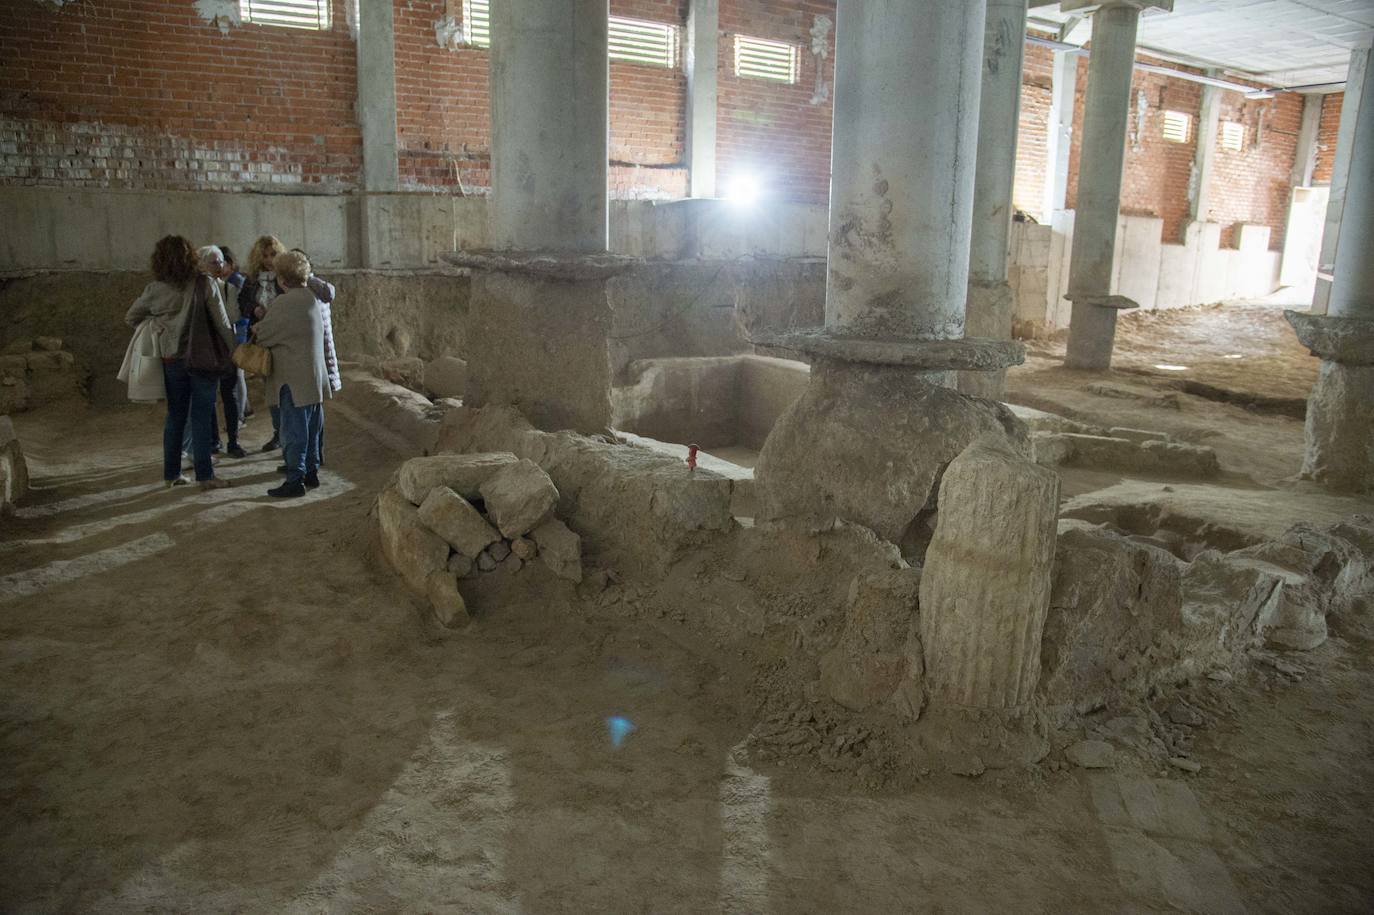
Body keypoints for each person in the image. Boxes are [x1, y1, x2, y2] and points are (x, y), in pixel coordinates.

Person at [124, 236, 234, 491]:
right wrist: (234, 351)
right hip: (203, 359)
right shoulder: (204, 283)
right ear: (190, 256)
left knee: (175, 416)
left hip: (171, 359)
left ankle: (171, 474)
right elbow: (223, 322)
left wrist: (157, 325)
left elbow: (131, 317)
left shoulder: (154, 289)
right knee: (201, 417)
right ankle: (205, 476)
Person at [254, 250, 330, 498]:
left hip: (292, 378)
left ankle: (295, 480)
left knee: (293, 431)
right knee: (312, 427)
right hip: (313, 376)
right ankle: (311, 471)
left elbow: (265, 335)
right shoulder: (310, 297)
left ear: (281, 278)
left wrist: (259, 325)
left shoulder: (284, 302)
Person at [196, 245, 247, 459]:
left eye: (220, 262)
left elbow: (233, 318)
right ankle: (214, 440)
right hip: (208, 349)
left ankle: (233, 440)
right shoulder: (198, 290)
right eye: (213, 262)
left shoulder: (228, 289)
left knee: (230, 395)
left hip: (226, 347)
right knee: (210, 396)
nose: (219, 266)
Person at [240, 234, 287, 452]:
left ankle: (287, 434)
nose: (269, 259)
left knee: (286, 388)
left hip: (284, 338)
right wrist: (253, 309)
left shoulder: (286, 276)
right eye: (265, 255)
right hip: (262, 338)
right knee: (271, 389)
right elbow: (243, 303)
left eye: (273, 254)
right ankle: (279, 432)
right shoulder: (251, 280)